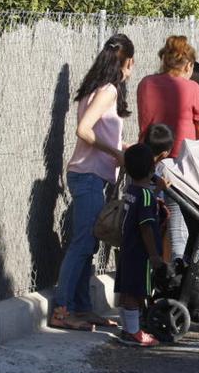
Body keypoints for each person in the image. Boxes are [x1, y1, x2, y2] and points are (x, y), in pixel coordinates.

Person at [49, 34, 135, 331]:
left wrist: (122, 148)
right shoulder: (109, 90)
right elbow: (84, 131)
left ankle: (83, 308)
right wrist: (114, 153)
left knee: (89, 243)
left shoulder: (95, 89)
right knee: (83, 243)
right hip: (88, 176)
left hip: (90, 176)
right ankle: (62, 311)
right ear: (128, 62)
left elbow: (99, 130)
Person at [137, 36, 199, 260]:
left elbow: (144, 123)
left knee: (147, 222)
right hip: (179, 166)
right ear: (188, 65)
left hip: (148, 162)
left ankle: (151, 277)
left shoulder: (146, 84)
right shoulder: (192, 87)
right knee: (177, 226)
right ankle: (177, 280)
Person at [115, 144, 166, 347]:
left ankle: (128, 329)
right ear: (151, 170)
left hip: (128, 249)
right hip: (141, 253)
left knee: (127, 290)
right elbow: (146, 227)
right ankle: (135, 332)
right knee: (136, 292)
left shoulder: (132, 191)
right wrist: (154, 255)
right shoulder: (146, 197)